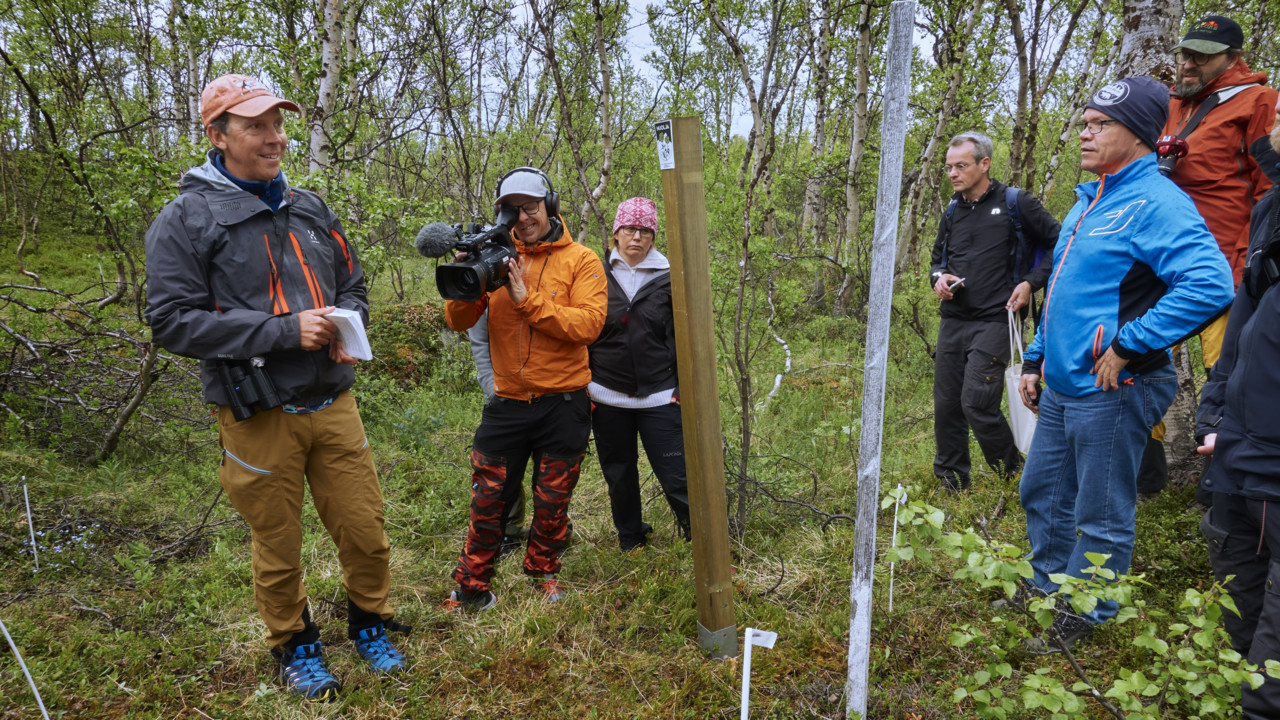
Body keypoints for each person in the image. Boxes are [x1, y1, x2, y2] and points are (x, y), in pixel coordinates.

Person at [144, 74, 407, 701]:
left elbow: (354, 285)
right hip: (258, 411)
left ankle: (370, 623)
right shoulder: (186, 218)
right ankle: (295, 647)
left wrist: (347, 324)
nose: (275, 137)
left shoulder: (311, 207)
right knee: (278, 542)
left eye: (278, 124)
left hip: (333, 400)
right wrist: (282, 331)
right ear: (218, 134)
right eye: (255, 125)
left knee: (365, 529)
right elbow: (172, 320)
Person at [1017, 76, 1234, 654]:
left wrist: (1130, 343)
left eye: (1098, 125)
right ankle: (1047, 588)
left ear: (1137, 134)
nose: (1083, 134)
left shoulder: (1156, 202)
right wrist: (1035, 358)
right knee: (1041, 491)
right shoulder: (1090, 199)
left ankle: (1087, 616)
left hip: (1116, 385)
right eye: (1084, 123)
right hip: (1064, 383)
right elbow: (1063, 291)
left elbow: (1211, 283)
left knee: (1100, 510)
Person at [442, 167, 606, 610]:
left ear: (549, 207)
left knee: (553, 500)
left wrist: (527, 300)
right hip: (508, 402)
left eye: (530, 207)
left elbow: (588, 326)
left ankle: (543, 573)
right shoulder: (493, 258)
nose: (522, 217)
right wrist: (465, 282)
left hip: (564, 402)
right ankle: (472, 587)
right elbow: (458, 321)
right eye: (512, 210)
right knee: (488, 498)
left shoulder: (582, 260)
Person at [1139, 14, 1279, 495]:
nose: (1188, 62)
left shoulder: (1258, 102)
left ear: (1233, 58)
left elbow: (1270, 189)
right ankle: (1146, 478)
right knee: (1136, 356)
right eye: (1184, 53)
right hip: (1161, 263)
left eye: (1201, 55)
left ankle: (1223, 486)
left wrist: (1251, 265)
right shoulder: (1174, 105)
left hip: (1224, 265)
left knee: (1226, 373)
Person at [1195, 97, 1280, 718]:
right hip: (1239, 447)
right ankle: (1235, 694)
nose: (1274, 126)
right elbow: (1243, 327)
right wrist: (1214, 414)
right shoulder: (1270, 209)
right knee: (1235, 583)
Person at [928, 131, 1060, 493]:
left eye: (961, 166)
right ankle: (952, 482)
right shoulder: (953, 210)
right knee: (947, 405)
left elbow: (1061, 244)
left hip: (998, 319)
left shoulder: (1017, 203)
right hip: (954, 319)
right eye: (949, 168)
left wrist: (1031, 283)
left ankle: (1017, 478)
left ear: (984, 164)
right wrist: (939, 279)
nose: (953, 174)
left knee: (976, 402)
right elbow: (936, 261)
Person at [588, 197, 691, 550]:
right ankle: (631, 539)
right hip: (605, 394)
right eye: (630, 228)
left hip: (660, 395)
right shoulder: (595, 272)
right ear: (616, 232)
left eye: (646, 230)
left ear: (654, 236)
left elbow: (683, 336)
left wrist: (680, 385)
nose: (637, 236)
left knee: (676, 474)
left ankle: (699, 538)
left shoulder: (670, 275)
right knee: (619, 474)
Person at [465, 308, 529, 556]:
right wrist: (491, 387)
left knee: (552, 469)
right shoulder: (488, 278)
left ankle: (552, 531)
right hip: (503, 394)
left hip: (553, 392)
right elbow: (479, 338)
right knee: (504, 466)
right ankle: (509, 531)